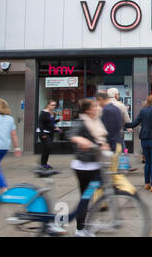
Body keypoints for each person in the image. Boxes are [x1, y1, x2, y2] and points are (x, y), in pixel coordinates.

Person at [67, 98, 110, 237]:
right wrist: (82, 140)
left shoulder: (95, 121)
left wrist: (103, 146)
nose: (97, 108)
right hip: (84, 167)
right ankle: (81, 228)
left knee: (89, 196)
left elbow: (100, 139)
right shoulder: (82, 121)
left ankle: (86, 223)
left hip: (94, 165)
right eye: (94, 106)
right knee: (86, 197)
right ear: (87, 110)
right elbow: (72, 135)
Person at [126, 95, 152, 192]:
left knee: (147, 162)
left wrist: (124, 124)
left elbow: (134, 124)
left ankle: (147, 183)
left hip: (144, 140)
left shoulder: (143, 111)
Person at [0, 99, 21, 194]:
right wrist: (17, 147)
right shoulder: (10, 119)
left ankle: (4, 189)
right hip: (4, 148)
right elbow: (13, 134)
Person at [38, 99, 59, 170]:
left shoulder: (52, 113)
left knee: (48, 148)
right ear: (48, 105)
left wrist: (57, 121)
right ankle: (43, 163)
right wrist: (42, 133)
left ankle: (44, 163)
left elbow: (51, 123)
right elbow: (40, 123)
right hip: (44, 133)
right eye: (52, 105)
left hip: (50, 133)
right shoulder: (43, 113)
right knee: (47, 147)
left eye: (54, 105)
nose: (54, 106)